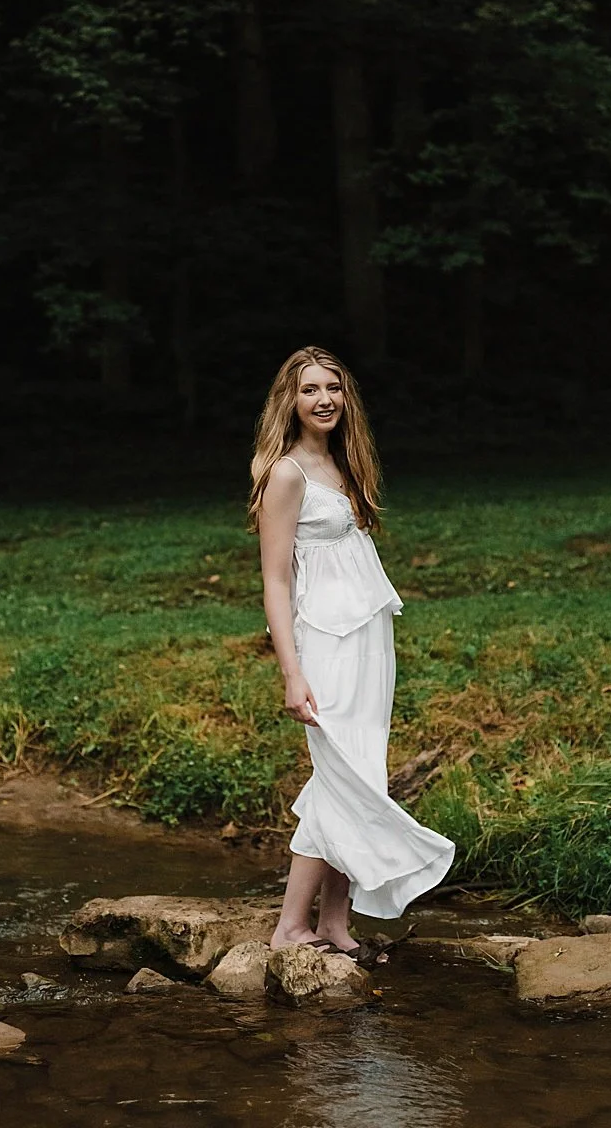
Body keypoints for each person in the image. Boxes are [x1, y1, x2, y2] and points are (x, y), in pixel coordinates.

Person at [248, 346, 454, 958]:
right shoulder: (286, 474)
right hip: (325, 644)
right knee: (340, 775)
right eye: (310, 389)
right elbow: (275, 580)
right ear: (289, 400)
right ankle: (291, 925)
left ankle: (334, 924)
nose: (324, 399)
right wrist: (292, 672)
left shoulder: (343, 463)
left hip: (369, 637)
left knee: (360, 775)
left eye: (333, 388)